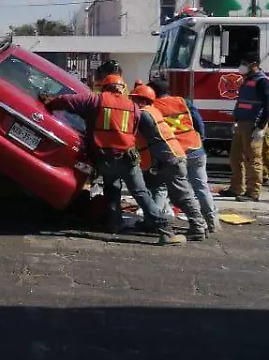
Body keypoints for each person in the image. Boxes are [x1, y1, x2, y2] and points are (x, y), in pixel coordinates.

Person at [43, 75, 184, 245]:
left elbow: (67, 101)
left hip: (104, 158)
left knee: (112, 188)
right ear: (121, 88)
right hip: (128, 159)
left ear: (105, 87)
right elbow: (135, 130)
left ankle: (114, 223)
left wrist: (50, 102)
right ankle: (165, 232)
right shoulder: (133, 106)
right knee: (141, 194)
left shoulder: (94, 100)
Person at [130, 83, 208, 241]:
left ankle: (199, 227)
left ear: (143, 101)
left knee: (181, 196)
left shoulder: (144, 114)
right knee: (156, 188)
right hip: (168, 157)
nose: (133, 103)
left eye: (136, 99)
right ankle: (151, 221)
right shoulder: (151, 111)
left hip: (171, 158)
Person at [149, 79, 219, 233]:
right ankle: (212, 222)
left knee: (162, 187)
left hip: (174, 152)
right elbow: (199, 122)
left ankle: (155, 221)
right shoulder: (183, 101)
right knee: (201, 187)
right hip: (195, 148)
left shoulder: (153, 107)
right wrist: (200, 139)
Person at [222, 53, 269, 202]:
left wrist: (261, 126)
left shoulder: (263, 81)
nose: (241, 66)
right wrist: (236, 119)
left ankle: (253, 192)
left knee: (253, 159)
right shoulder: (247, 80)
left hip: (253, 124)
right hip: (242, 123)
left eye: (244, 63)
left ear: (254, 64)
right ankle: (236, 188)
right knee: (235, 157)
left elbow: (268, 105)